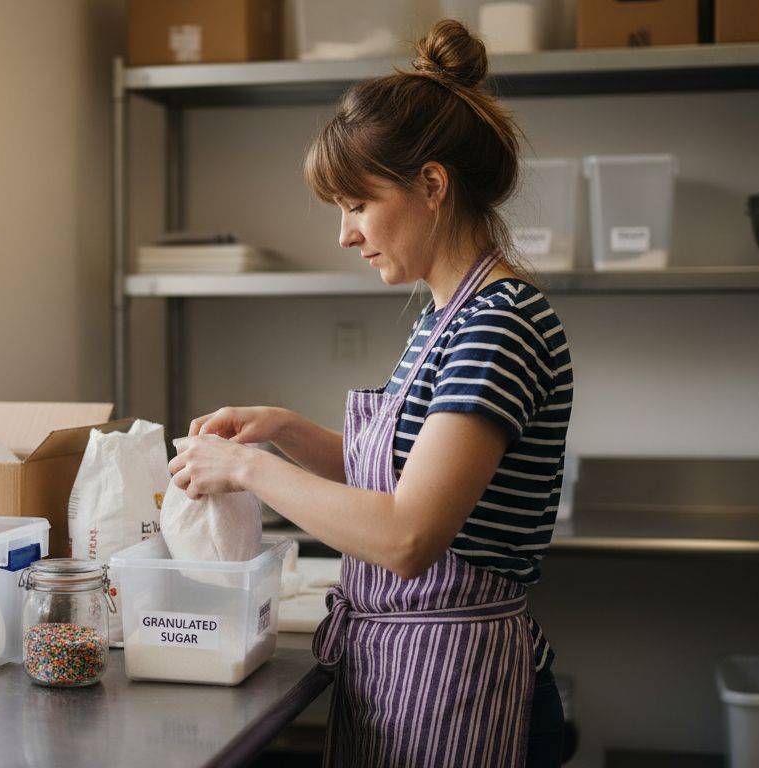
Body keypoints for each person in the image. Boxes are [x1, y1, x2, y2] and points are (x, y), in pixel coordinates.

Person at [167, 18, 573, 768]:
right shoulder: (445, 318)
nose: (345, 235)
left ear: (432, 185)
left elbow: (407, 536)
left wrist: (249, 469)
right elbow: (395, 479)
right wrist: (284, 430)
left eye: (357, 204)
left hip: (461, 684)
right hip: (410, 674)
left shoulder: (497, 323)